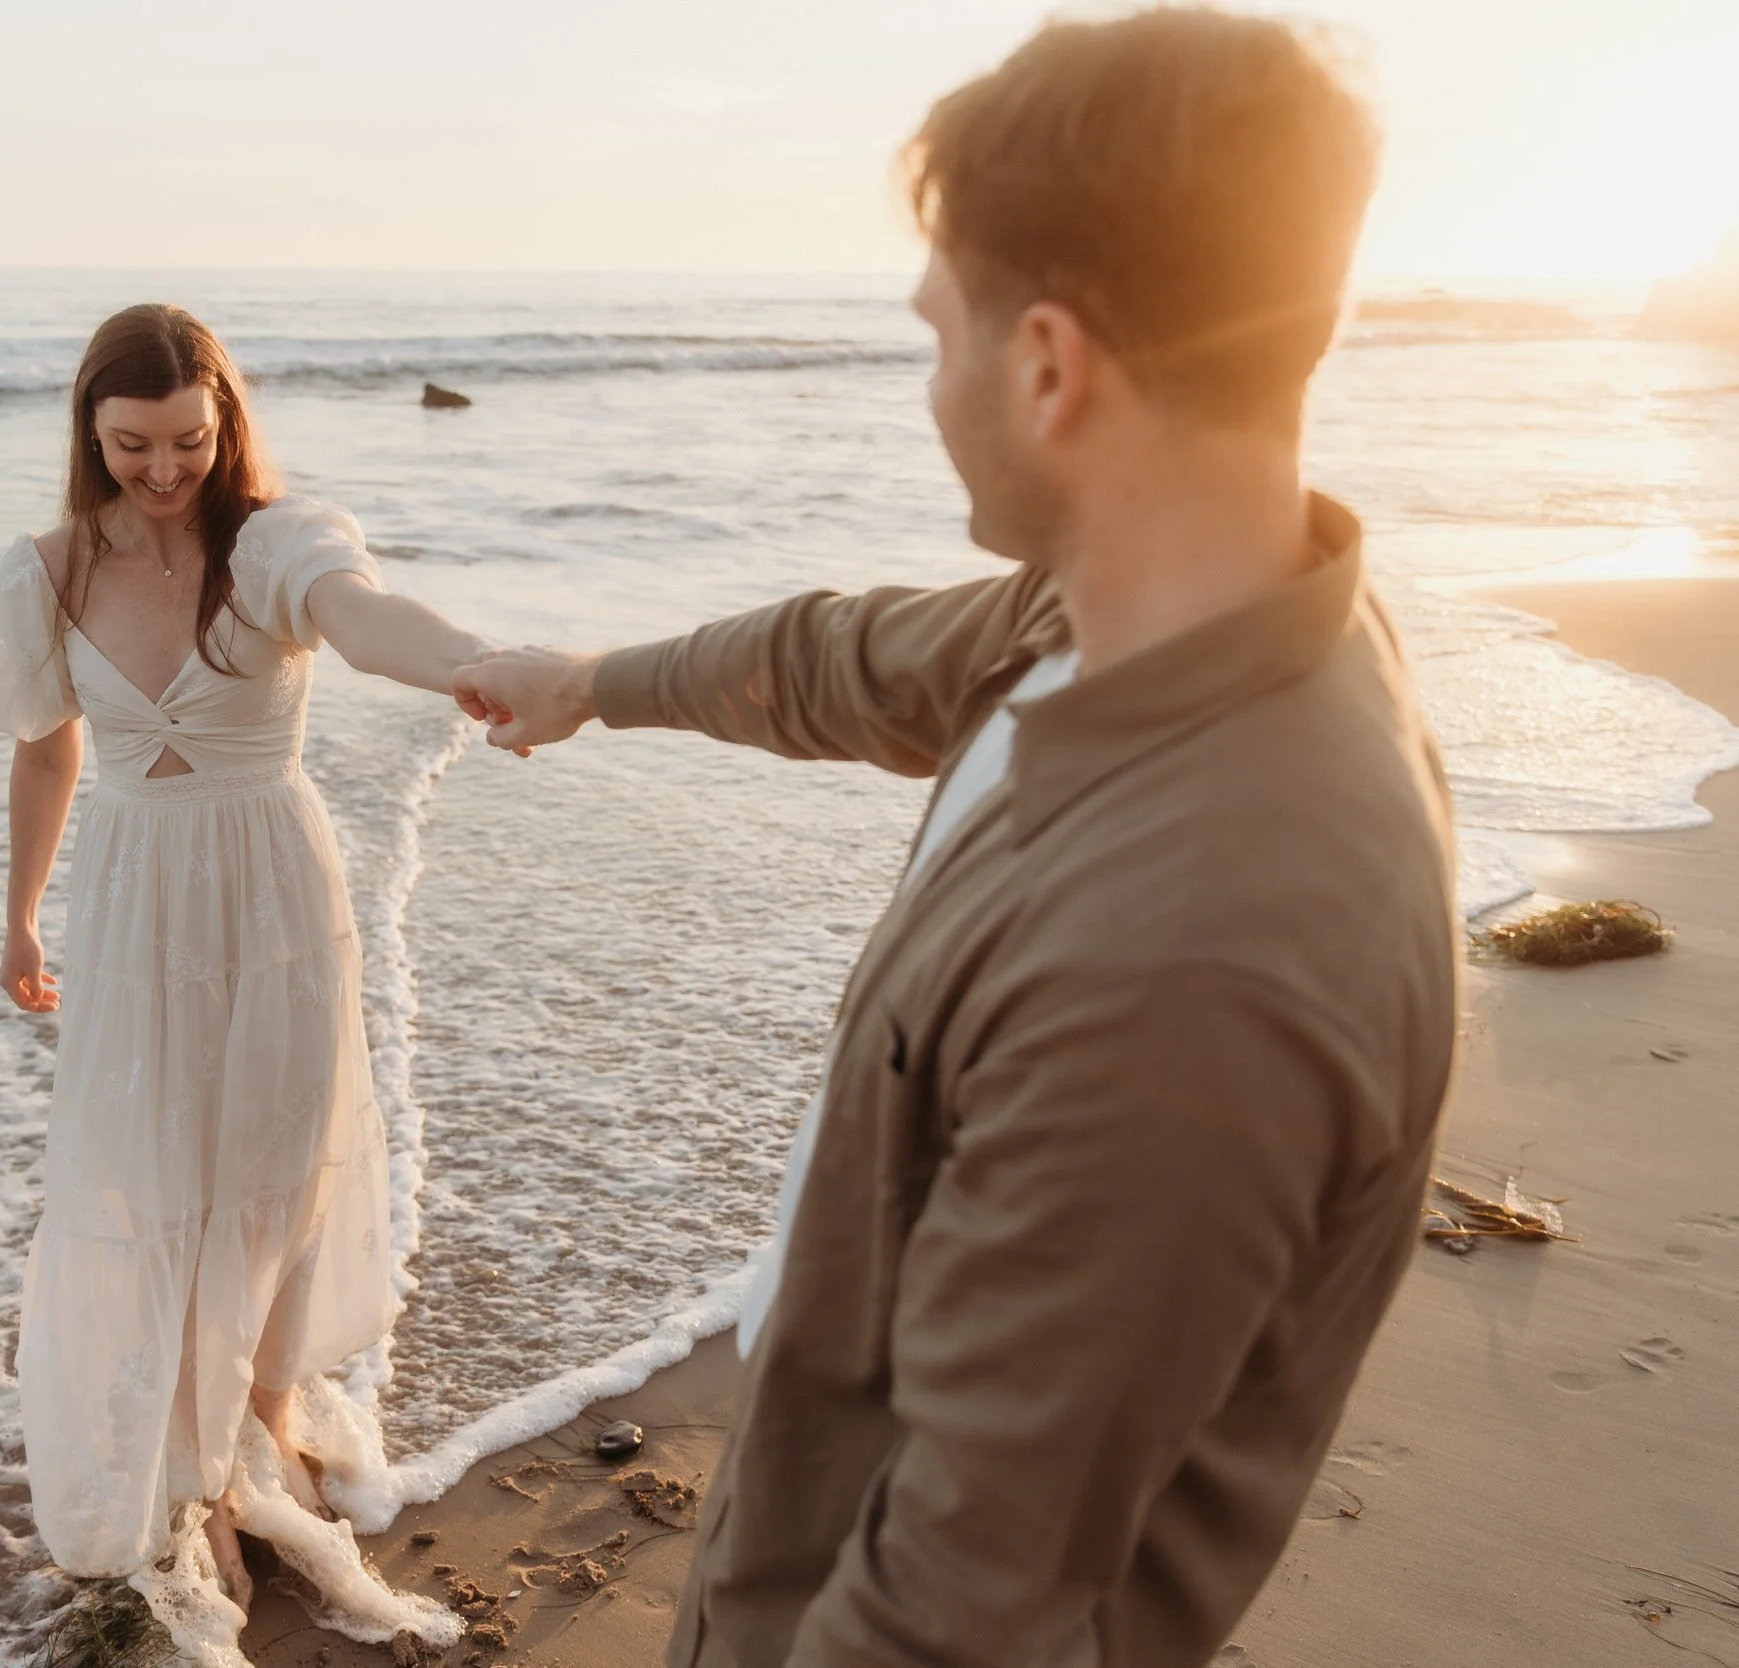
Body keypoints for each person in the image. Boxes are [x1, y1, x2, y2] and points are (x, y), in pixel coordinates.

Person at [453, 12, 1456, 1667]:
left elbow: (959, 1609)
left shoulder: (1199, 952)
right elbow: (834, 660)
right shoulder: (1137, 617)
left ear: (1049, 366)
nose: (930, 387)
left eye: (941, 337)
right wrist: (587, 685)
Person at [0, 303, 488, 1650]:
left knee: (267, 1172)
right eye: (134, 443)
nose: (163, 467)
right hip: (137, 901)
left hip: (270, 888)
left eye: (189, 438)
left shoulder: (270, 543)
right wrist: (22, 918)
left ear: (224, 419)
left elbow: (368, 624)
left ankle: (255, 1414)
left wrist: (478, 669)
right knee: (146, 1178)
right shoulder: (44, 574)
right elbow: (45, 750)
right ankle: (197, 1473)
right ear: (91, 431)